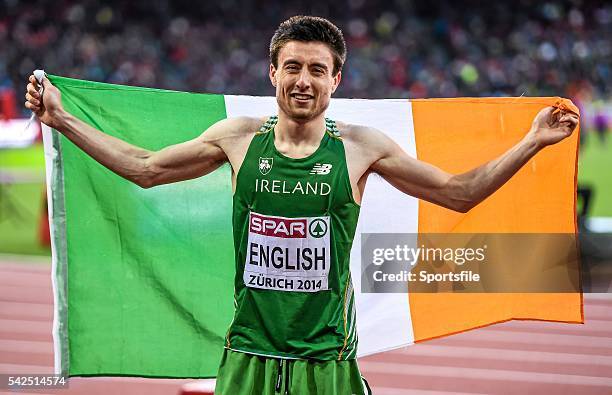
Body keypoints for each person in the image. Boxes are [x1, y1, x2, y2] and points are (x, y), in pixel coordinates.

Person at [25, 15, 578, 395]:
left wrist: (530, 142)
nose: (303, 80)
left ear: (336, 79)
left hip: (327, 360)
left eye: (317, 69)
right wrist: (62, 119)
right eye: (292, 67)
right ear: (273, 73)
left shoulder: (362, 148)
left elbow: (458, 194)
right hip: (249, 353)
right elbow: (145, 169)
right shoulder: (238, 139)